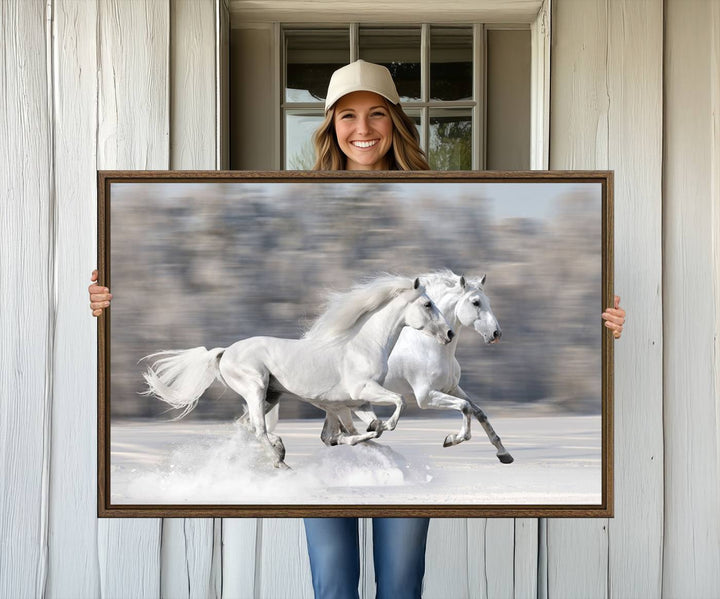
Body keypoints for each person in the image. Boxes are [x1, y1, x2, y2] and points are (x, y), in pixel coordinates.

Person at [88, 60, 626, 599]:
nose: (362, 129)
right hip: (329, 439)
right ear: (329, 126)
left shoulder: (437, 202)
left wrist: (601, 321)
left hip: (404, 459)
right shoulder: (298, 206)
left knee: (400, 588)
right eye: (347, 115)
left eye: (376, 115)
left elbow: (469, 303)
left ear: (396, 122)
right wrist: (112, 301)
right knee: (334, 588)